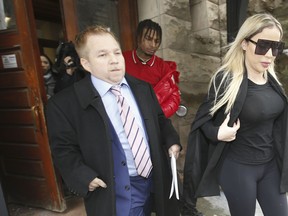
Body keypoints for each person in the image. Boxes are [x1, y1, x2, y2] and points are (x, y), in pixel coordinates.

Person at [45, 25, 182, 216]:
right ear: (86, 64)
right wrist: (84, 177)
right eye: (102, 55)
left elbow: (160, 120)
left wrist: (172, 140)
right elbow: (62, 149)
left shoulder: (142, 88)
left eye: (117, 52)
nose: (114, 60)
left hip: (156, 179)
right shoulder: (64, 104)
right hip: (114, 189)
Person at [182, 13, 288, 216]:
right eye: (263, 45)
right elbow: (202, 120)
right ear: (244, 43)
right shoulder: (225, 79)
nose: (269, 55)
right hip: (238, 168)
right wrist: (217, 134)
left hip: (271, 166)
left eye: (276, 47)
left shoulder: (273, 80)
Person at [123, 19, 181, 118]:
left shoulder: (163, 67)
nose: (153, 45)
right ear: (138, 38)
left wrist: (155, 116)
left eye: (157, 41)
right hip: (125, 116)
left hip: (153, 120)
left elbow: (174, 97)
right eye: (148, 39)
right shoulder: (122, 59)